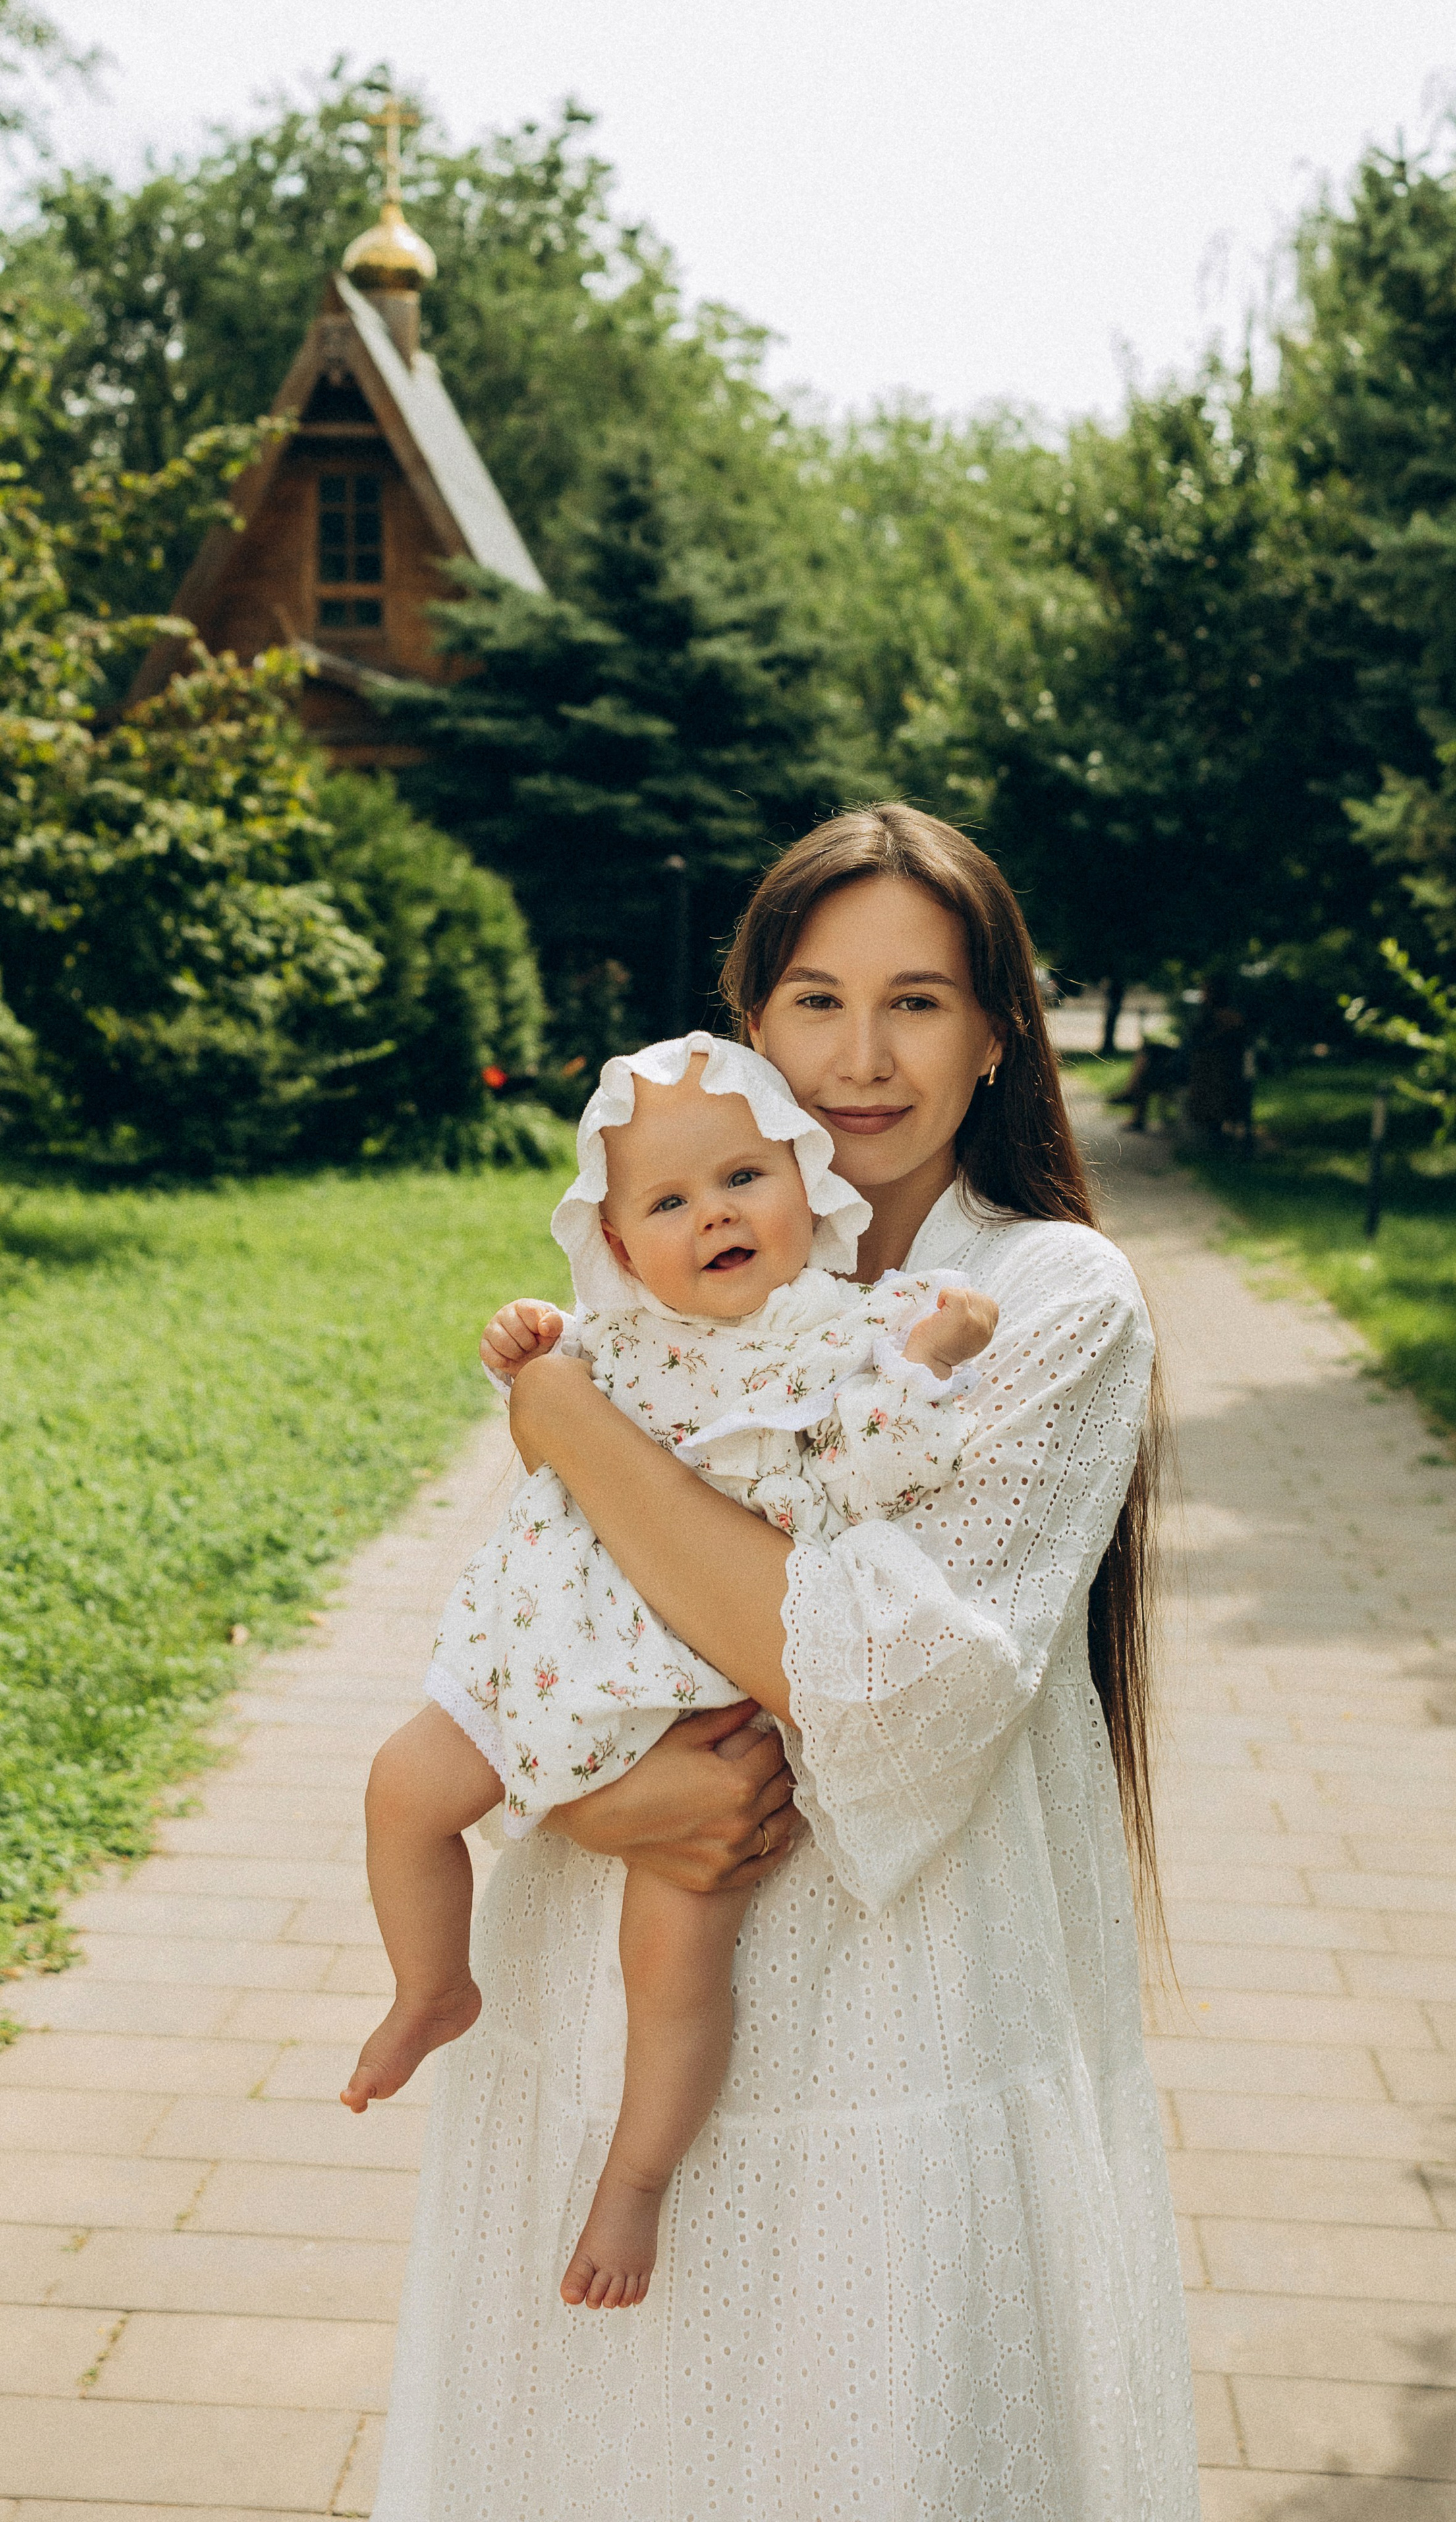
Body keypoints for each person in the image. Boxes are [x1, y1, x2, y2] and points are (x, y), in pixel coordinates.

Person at [372, 805, 1198, 2521]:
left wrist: (566, 1423)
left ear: (995, 1037)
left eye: (919, 1002)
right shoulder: (663, 1269)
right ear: (749, 1026)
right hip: (614, 1957)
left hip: (913, 1995)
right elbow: (554, 1619)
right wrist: (600, 1805)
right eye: (814, 1001)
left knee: (863, 2436)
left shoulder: (1047, 1298)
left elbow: (882, 1683)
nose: (860, 1059)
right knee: (608, 2443)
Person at [340, 1031, 996, 2315]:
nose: (714, 1216)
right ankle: (431, 1984)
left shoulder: (840, 1337)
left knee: (675, 1948)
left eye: (742, 1177)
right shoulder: (619, 1337)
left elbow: (880, 1469)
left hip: (691, 1697)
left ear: (808, 1184)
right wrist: (527, 1341)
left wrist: (926, 1360)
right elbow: (550, 1438)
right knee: (402, 1786)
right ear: (622, 1247)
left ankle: (636, 2177)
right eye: (668, 1202)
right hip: (541, 1656)